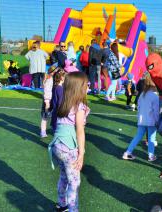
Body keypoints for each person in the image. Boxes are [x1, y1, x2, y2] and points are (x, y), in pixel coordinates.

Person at [48, 72, 90, 212]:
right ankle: (73, 209)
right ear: (79, 88)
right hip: (68, 148)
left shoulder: (64, 103)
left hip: (57, 145)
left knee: (64, 176)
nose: (88, 87)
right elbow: (79, 131)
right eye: (86, 85)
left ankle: (61, 204)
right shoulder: (79, 106)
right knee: (74, 182)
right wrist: (81, 153)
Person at [122, 73, 159, 161]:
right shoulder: (154, 96)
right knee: (151, 138)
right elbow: (156, 111)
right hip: (151, 121)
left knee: (138, 136)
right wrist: (157, 121)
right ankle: (151, 155)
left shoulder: (142, 95)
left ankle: (127, 153)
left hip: (141, 120)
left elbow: (139, 108)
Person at [40, 66, 57, 138]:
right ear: (52, 72)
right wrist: (47, 102)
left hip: (51, 100)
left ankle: (54, 128)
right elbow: (46, 91)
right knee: (45, 116)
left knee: (53, 116)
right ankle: (43, 131)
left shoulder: (52, 79)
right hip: (48, 101)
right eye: (55, 72)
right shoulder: (49, 80)